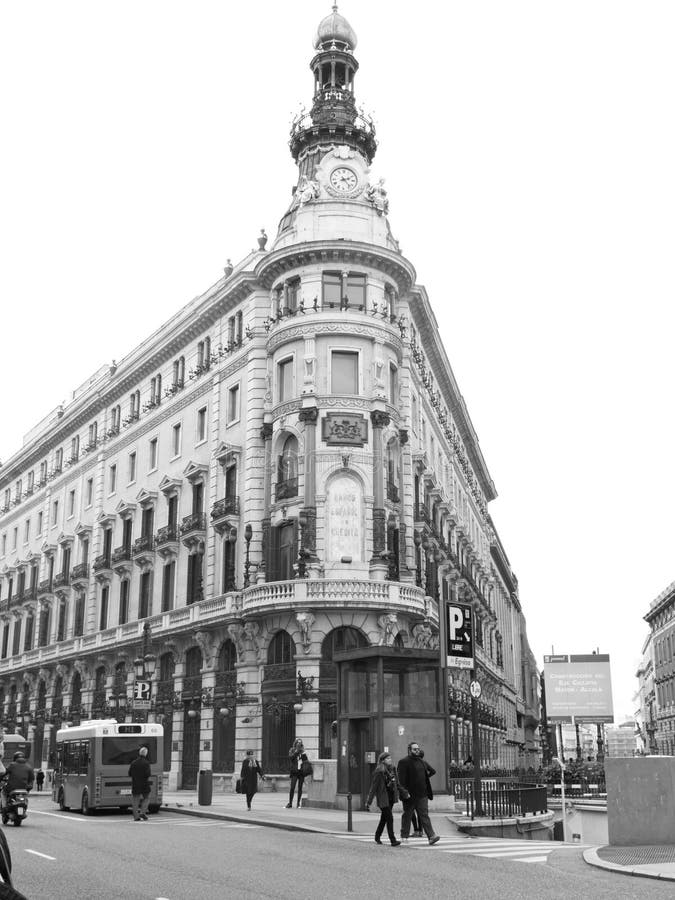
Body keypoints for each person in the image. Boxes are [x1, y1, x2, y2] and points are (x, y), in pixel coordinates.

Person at [397, 742, 440, 845]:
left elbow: (430, 772)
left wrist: (425, 780)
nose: (417, 751)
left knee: (424, 815)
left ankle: (431, 836)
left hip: (422, 794)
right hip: (410, 795)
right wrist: (404, 793)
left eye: (418, 749)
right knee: (407, 815)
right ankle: (404, 835)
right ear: (409, 750)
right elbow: (401, 780)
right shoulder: (403, 762)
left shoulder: (422, 762)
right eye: (414, 749)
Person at [365, 752, 406, 846]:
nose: (390, 760)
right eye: (387, 759)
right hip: (383, 798)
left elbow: (397, 783)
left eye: (390, 758)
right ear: (382, 760)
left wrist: (404, 792)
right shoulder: (379, 771)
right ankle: (393, 840)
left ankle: (377, 836)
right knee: (389, 818)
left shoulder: (392, 769)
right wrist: (369, 801)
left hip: (391, 797)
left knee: (384, 818)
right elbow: (373, 787)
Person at [128, 746, 151, 822]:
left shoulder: (133, 763)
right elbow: (148, 774)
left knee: (135, 800)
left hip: (135, 784)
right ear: (146, 754)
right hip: (144, 784)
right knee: (146, 798)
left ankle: (136, 816)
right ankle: (142, 812)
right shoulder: (146, 763)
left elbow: (130, 773)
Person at [286, 738, 308, 809]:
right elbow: (291, 758)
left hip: (301, 772)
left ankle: (298, 803)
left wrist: (303, 753)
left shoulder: (302, 751)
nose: (299, 745)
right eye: (298, 743)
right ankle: (290, 803)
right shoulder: (292, 750)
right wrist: (296, 751)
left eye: (300, 744)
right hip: (294, 772)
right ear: (295, 743)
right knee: (292, 787)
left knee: (300, 788)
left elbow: (306, 761)